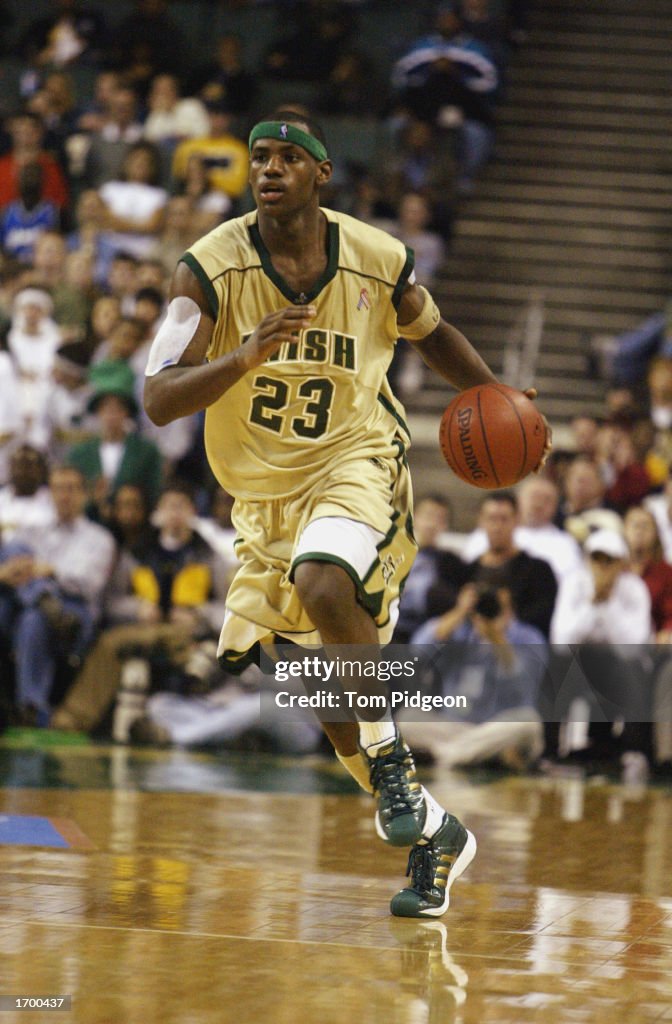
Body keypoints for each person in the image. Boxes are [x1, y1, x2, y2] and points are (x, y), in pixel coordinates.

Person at [143, 109, 549, 919]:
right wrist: (243, 354)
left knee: (327, 583)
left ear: (321, 174)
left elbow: (431, 333)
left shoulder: (375, 258)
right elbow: (156, 398)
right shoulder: (207, 271)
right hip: (262, 502)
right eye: (260, 156)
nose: (269, 168)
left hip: (357, 459)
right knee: (326, 704)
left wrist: (490, 394)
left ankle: (393, 763)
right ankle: (438, 834)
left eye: (289, 157)